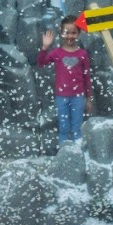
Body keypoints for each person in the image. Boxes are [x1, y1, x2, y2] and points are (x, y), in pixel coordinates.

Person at [36, 15, 92, 143]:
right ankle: (64, 153)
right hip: (61, 96)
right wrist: (45, 47)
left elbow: (86, 77)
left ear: (79, 34)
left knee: (77, 127)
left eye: (73, 33)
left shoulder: (82, 55)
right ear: (61, 33)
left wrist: (88, 98)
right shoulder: (56, 53)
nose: (70, 36)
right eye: (66, 32)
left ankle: (77, 154)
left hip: (78, 97)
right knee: (64, 127)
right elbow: (40, 63)